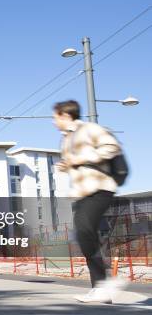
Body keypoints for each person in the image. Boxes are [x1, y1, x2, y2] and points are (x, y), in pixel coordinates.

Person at [53, 100, 126, 304]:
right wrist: (67, 166)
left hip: (100, 188)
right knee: (84, 236)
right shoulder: (66, 139)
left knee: (85, 230)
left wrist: (80, 159)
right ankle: (100, 288)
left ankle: (104, 285)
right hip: (82, 193)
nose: (53, 121)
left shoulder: (89, 129)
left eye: (55, 117)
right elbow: (79, 163)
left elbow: (112, 147)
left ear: (65, 115)